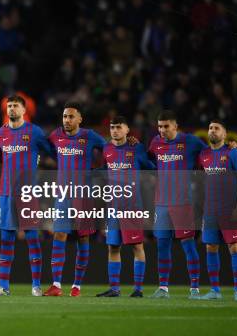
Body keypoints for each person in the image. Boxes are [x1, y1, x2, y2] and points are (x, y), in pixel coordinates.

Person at [0, 95, 54, 296]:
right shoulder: (0, 133)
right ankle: (3, 286)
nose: (12, 109)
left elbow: (52, 151)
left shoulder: (35, 132)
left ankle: (36, 286)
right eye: (9, 106)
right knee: (6, 238)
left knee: (32, 238)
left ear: (24, 111)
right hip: (6, 194)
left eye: (16, 106)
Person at [45, 102, 107, 297]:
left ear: (80, 119)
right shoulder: (55, 136)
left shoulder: (89, 136)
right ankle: (56, 285)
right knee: (59, 234)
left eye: (71, 117)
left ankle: (76, 286)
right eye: (64, 116)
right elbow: (48, 150)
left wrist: (100, 172)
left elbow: (111, 151)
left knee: (83, 237)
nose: (67, 120)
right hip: (63, 194)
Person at [147, 110, 207, 299]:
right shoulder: (155, 143)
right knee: (162, 246)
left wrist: (229, 146)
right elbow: (147, 158)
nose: (162, 130)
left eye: (166, 126)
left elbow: (210, 152)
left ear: (175, 126)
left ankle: (195, 289)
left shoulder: (191, 141)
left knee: (188, 245)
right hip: (161, 204)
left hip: (183, 204)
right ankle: (163, 288)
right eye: (160, 126)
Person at [96, 116, 155, 298]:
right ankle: (114, 288)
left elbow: (151, 167)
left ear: (127, 129)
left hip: (132, 206)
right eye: (112, 127)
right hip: (113, 206)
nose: (115, 130)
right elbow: (105, 170)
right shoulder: (107, 149)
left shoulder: (136, 148)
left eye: (118, 127)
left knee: (137, 246)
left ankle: (138, 289)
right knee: (113, 247)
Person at [199, 120, 237, 302]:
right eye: (210, 128)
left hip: (229, 210)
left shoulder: (232, 152)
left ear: (225, 134)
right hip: (210, 211)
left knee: (234, 247)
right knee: (211, 247)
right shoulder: (203, 154)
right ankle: (215, 290)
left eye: (216, 128)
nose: (212, 131)